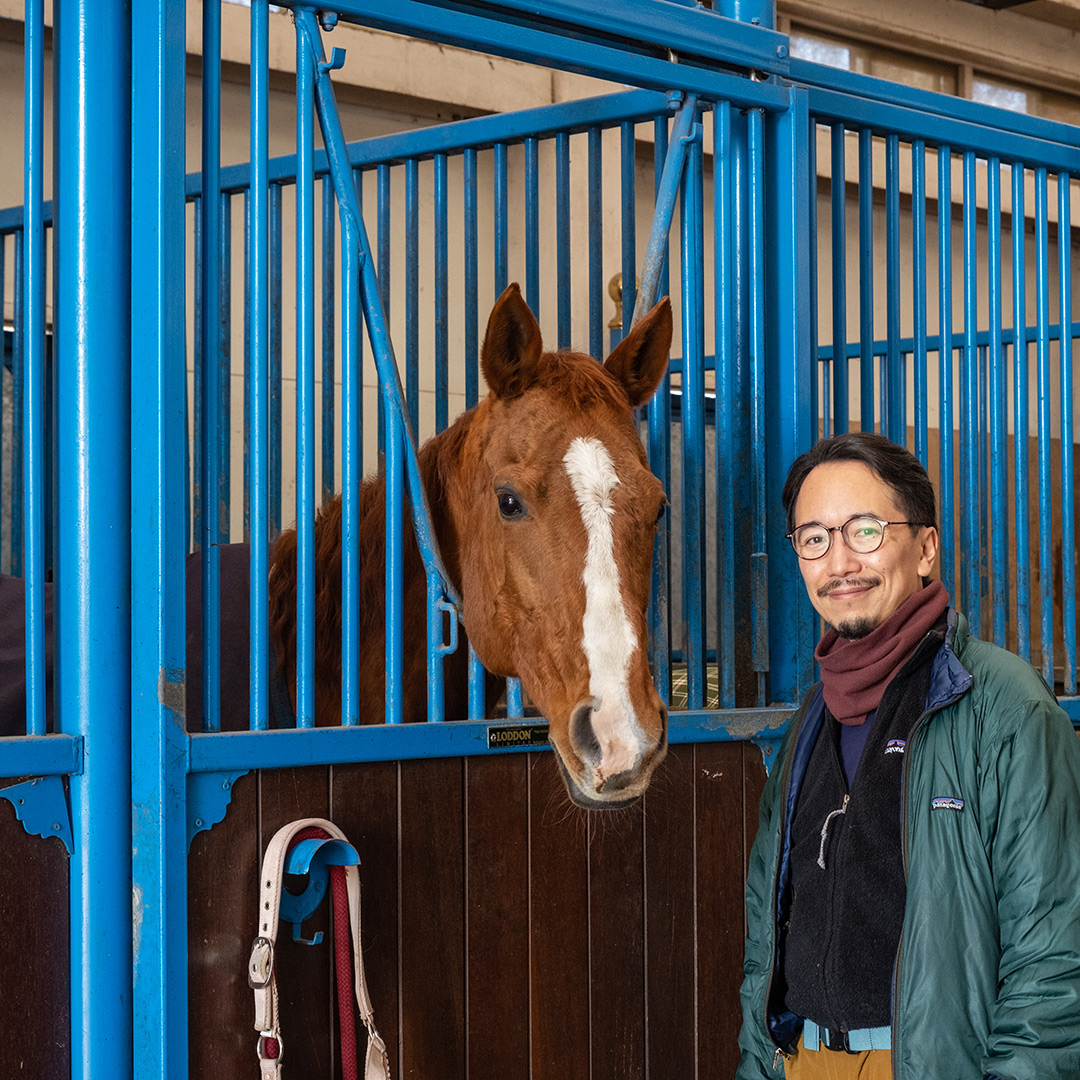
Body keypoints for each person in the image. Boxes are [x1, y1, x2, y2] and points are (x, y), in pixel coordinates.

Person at [736, 431, 1080, 1080]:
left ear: (925, 549)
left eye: (865, 530)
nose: (839, 563)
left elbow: (1055, 952)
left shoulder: (1005, 707)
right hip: (803, 1060)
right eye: (814, 538)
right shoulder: (809, 719)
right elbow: (766, 934)